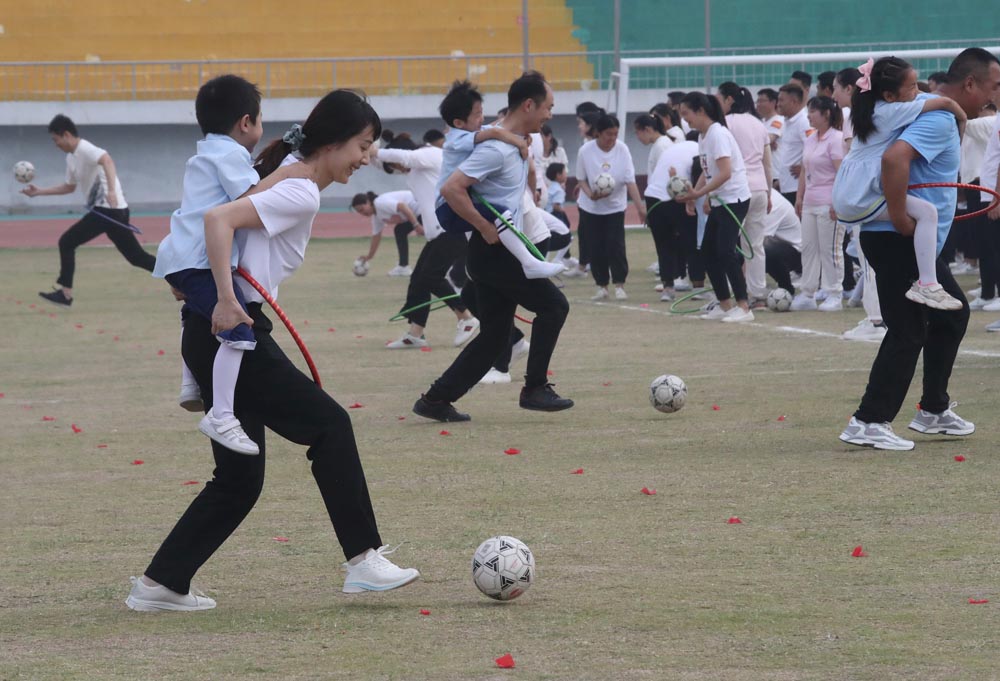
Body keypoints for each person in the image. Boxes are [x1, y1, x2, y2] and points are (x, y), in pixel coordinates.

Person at [125, 90, 420, 612]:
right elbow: (218, 220)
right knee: (330, 426)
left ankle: (161, 584)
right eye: (362, 145)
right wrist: (222, 298)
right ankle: (363, 560)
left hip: (212, 332)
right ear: (332, 142)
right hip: (231, 328)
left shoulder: (286, 176)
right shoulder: (300, 191)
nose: (366, 157)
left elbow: (216, 215)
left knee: (239, 480)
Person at [840, 47, 1000, 451]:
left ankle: (932, 410)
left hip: (902, 237)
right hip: (897, 237)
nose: (994, 96)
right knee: (908, 330)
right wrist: (899, 216)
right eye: (994, 86)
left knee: (952, 315)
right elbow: (895, 159)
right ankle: (869, 420)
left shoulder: (925, 108)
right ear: (970, 84)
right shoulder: (939, 119)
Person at [153, 74, 309, 456]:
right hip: (196, 260)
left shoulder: (206, 153)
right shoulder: (229, 155)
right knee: (237, 327)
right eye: (260, 120)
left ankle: (191, 382)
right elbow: (249, 197)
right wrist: (288, 173)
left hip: (181, 256)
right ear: (246, 122)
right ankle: (221, 415)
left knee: (196, 310)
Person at [412, 71, 572, 422]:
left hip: (491, 253)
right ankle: (535, 388)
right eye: (548, 107)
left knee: (495, 336)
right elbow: (451, 188)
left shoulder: (511, 141)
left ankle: (435, 400)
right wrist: (484, 226)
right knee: (554, 306)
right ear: (528, 105)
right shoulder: (496, 149)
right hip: (495, 252)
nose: (550, 114)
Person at [832, 56, 967, 311]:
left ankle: (924, 281)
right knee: (928, 213)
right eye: (913, 86)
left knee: (920, 216)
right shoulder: (892, 111)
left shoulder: (871, 109)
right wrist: (962, 118)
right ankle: (928, 284)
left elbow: (922, 99)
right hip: (861, 194)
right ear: (889, 95)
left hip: (849, 192)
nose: (917, 92)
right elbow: (944, 102)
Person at [433, 80, 564, 280]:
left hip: (457, 206)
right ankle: (528, 263)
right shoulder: (455, 139)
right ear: (458, 123)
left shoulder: (471, 131)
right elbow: (494, 131)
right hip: (447, 208)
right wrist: (518, 142)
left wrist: (520, 134)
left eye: (481, 112)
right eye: (477, 114)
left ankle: (524, 264)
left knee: (500, 217)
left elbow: (495, 127)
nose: (482, 118)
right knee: (501, 215)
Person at [23, 114, 155, 306]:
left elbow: (107, 160)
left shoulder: (85, 148)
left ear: (66, 135)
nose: (55, 144)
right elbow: (69, 187)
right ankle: (179, 276)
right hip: (109, 212)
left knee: (67, 242)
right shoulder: (71, 158)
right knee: (136, 257)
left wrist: (111, 191)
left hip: (108, 211)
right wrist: (39, 192)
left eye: (56, 139)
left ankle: (65, 294)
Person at [373, 132, 479, 349]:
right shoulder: (415, 169)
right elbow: (388, 162)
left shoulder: (429, 154)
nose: (398, 169)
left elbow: (404, 157)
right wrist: (366, 151)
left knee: (431, 277)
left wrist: (374, 150)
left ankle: (466, 317)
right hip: (438, 234)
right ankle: (416, 334)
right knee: (418, 281)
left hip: (452, 229)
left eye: (396, 165)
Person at [679, 91, 754, 322]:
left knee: (725, 251)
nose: (685, 119)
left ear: (701, 111)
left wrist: (700, 194)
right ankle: (725, 304)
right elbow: (707, 170)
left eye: (686, 114)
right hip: (720, 200)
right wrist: (696, 195)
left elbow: (725, 172)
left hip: (734, 200)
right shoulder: (704, 136)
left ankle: (744, 307)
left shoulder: (718, 134)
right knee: (708, 252)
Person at [576, 113, 646, 300]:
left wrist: (640, 207)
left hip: (615, 207)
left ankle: (620, 284)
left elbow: (630, 181)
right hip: (590, 208)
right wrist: (591, 195)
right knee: (596, 247)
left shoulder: (622, 149)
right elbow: (581, 179)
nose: (612, 138)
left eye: (615, 134)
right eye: (608, 134)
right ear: (598, 133)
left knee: (616, 246)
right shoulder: (585, 151)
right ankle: (602, 286)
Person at [717, 82, 773, 308]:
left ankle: (732, 291)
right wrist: (769, 193)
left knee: (727, 245)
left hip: (736, 190)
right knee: (756, 245)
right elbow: (767, 164)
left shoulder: (725, 123)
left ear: (729, 100)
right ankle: (758, 294)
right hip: (759, 188)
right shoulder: (759, 124)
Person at [792, 96, 846, 312]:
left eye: (813, 112)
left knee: (830, 249)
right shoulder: (811, 139)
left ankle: (834, 293)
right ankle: (808, 293)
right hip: (810, 202)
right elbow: (804, 170)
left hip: (828, 202)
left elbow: (841, 172)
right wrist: (799, 197)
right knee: (809, 249)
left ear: (826, 114)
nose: (809, 116)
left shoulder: (836, 139)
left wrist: (836, 202)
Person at [642, 128, 701, 302]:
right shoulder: (699, 149)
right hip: (676, 197)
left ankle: (668, 288)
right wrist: (692, 201)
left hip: (652, 197)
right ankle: (698, 287)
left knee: (664, 245)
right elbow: (697, 176)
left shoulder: (675, 149)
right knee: (693, 242)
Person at [350, 190, 421, 276]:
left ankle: (404, 266)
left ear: (368, 202)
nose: (362, 213)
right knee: (399, 230)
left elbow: (402, 206)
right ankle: (403, 266)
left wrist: (416, 225)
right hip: (419, 213)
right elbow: (376, 237)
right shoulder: (376, 217)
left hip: (423, 207)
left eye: (362, 209)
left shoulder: (380, 203)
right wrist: (369, 256)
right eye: (359, 212)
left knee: (401, 231)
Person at [774, 84, 812, 205]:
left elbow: (815, 147)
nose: (778, 104)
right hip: (786, 185)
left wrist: (806, 168)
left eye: (781, 100)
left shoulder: (804, 122)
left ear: (794, 102)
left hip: (797, 188)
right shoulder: (786, 122)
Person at [761, 189, 803, 295]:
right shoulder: (762, 195)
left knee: (765, 252)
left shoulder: (772, 204)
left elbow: (758, 243)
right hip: (778, 245)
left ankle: (787, 287)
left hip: (797, 253)